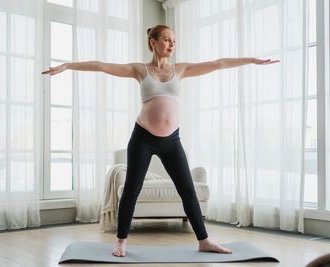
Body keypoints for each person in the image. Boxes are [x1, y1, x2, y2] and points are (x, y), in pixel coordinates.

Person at [42, 24, 279, 257]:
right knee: (131, 191)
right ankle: (122, 242)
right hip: (142, 138)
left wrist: (252, 60)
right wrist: (67, 66)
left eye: (174, 41)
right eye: (166, 40)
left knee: (187, 191)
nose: (171, 45)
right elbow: (103, 66)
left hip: (171, 141)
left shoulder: (181, 69)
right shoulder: (139, 69)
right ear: (153, 42)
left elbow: (218, 64)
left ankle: (204, 241)